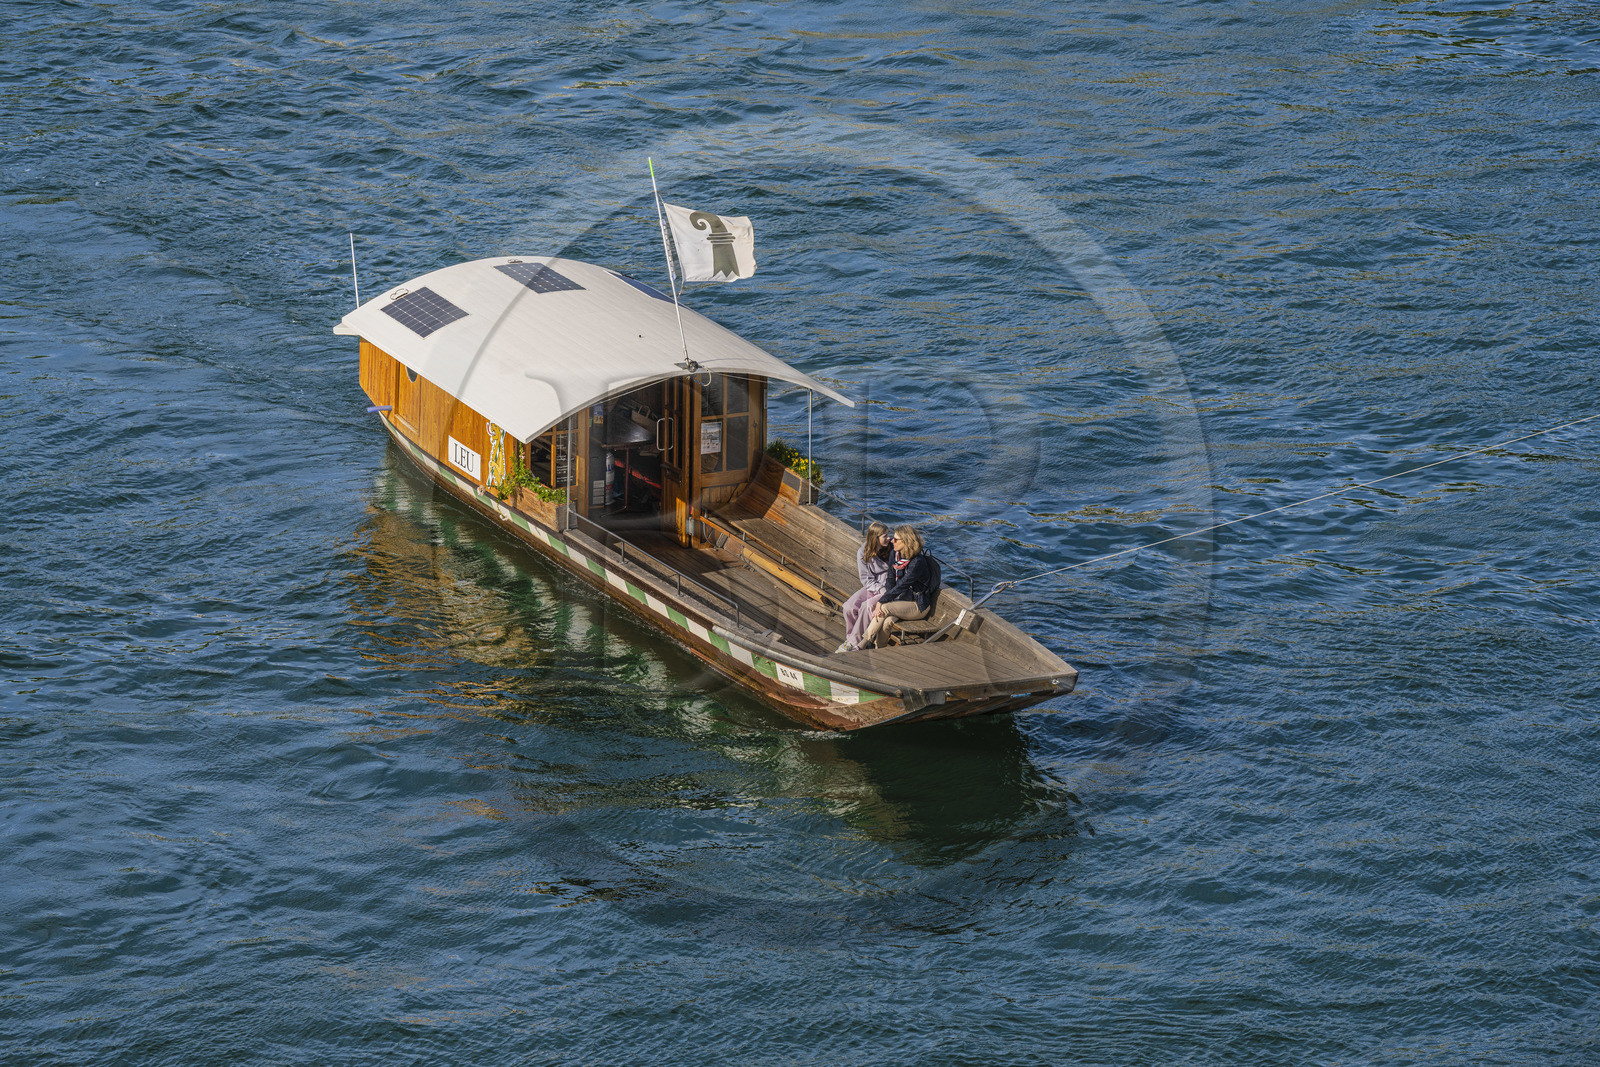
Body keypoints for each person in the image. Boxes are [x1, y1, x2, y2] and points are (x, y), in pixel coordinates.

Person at [858, 525, 940, 650]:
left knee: (884, 608)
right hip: (901, 601)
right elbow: (890, 579)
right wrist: (888, 598)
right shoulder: (895, 554)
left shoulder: (917, 562)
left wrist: (882, 601)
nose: (892, 541)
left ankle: (862, 644)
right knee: (886, 622)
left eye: (896, 539)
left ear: (906, 541)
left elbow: (903, 585)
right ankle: (879, 650)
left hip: (917, 605)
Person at [836, 522, 893, 653]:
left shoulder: (892, 550)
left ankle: (855, 643)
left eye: (888, 535)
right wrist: (878, 589)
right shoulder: (863, 552)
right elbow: (866, 580)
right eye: (885, 536)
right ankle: (851, 639)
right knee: (848, 607)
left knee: (866, 606)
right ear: (876, 538)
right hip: (873, 586)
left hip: (888, 589)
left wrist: (885, 591)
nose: (888, 538)